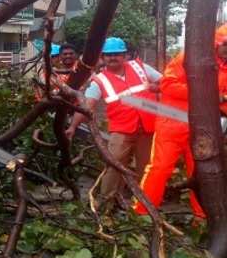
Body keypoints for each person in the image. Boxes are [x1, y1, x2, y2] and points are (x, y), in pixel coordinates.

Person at [133, 26, 227, 219]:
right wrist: (207, 94)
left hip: (204, 130)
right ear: (218, 43)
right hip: (172, 124)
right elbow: (167, 85)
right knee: (160, 168)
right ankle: (142, 214)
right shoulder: (190, 57)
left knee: (202, 173)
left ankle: (201, 218)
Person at [65, 37, 161, 210]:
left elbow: (165, 82)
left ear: (125, 55)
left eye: (117, 54)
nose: (112, 58)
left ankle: (144, 204)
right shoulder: (100, 80)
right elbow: (87, 105)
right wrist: (72, 126)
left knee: (146, 168)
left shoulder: (141, 68)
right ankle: (105, 203)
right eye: (108, 55)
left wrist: (158, 89)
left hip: (147, 127)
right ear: (103, 57)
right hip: (122, 130)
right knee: (113, 164)